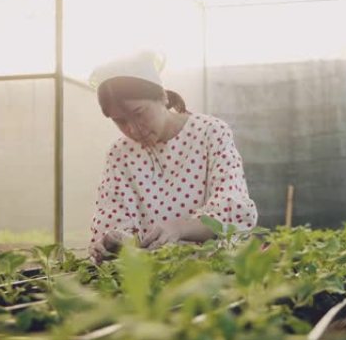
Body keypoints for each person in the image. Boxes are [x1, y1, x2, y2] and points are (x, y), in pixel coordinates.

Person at [87, 51, 257, 263]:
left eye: (139, 113)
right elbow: (113, 219)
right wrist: (116, 241)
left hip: (210, 273)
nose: (133, 129)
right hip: (149, 278)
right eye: (120, 121)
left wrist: (180, 228)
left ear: (162, 96)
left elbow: (233, 211)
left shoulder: (209, 132)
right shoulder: (120, 154)